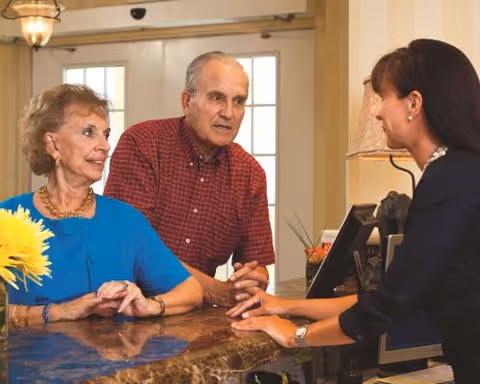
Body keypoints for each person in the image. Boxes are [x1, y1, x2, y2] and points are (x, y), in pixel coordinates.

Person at [227, 39, 480, 383]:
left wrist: (294, 335)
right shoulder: (461, 172)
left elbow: (388, 306)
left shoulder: (447, 181)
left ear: (414, 103)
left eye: (383, 98)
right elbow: (394, 295)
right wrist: (286, 306)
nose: (377, 112)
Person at [1, 84, 203, 328]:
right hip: (26, 364)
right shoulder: (7, 219)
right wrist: (59, 312)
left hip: (112, 364)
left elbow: (191, 292)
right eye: (89, 132)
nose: (105, 146)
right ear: (53, 144)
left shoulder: (126, 220)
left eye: (106, 134)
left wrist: (149, 305)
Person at [104, 51, 274, 307]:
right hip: (124, 310)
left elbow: (257, 263)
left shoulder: (250, 174)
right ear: (187, 101)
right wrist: (217, 291)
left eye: (238, 101)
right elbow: (134, 249)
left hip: (194, 320)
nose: (229, 113)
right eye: (217, 98)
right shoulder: (143, 144)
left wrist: (251, 280)